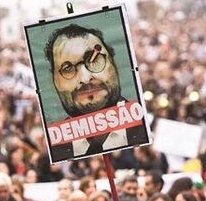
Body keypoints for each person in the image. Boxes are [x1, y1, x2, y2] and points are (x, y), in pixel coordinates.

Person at [43, 24, 147, 160]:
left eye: (95, 59)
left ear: (114, 64)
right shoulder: (58, 149)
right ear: (54, 81)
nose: (85, 79)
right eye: (67, 68)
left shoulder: (141, 132)